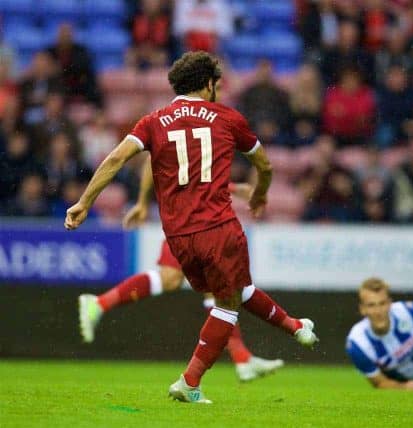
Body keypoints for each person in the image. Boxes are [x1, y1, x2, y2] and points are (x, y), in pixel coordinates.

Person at [64, 51, 318, 403]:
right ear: (208, 84)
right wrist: (259, 195)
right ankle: (190, 382)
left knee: (235, 291)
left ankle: (295, 328)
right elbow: (266, 165)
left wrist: (84, 202)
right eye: (217, 84)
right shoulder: (227, 118)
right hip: (219, 227)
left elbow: (116, 158)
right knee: (228, 302)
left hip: (180, 237)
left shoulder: (153, 121)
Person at [78, 157, 283, 382]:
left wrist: (231, 188)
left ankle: (242, 360)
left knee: (216, 291)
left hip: (195, 219)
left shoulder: (189, 131)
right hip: (186, 222)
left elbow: (196, 179)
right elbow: (154, 162)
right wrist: (143, 202)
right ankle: (98, 303)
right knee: (172, 278)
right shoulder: (173, 128)